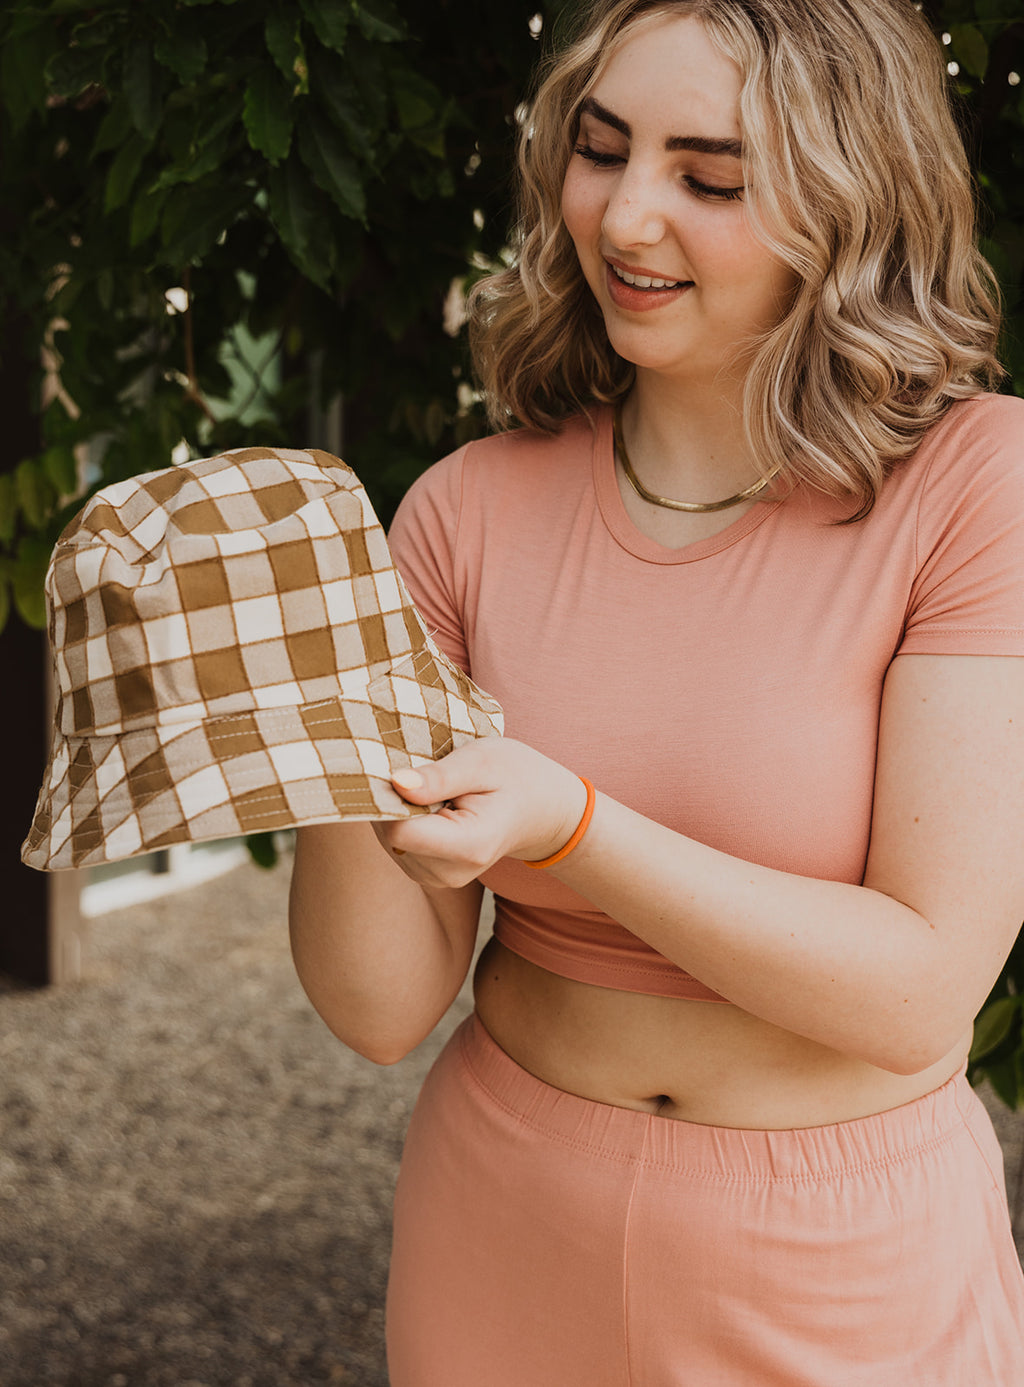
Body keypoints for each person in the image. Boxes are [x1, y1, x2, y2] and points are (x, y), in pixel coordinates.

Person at [288, 0, 1024, 1381]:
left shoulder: (979, 485)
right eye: (601, 150)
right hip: (501, 1215)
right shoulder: (466, 510)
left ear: (851, 200)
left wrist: (571, 826)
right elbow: (380, 1009)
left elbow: (919, 991)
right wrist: (322, 692)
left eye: (709, 177)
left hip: (836, 1266)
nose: (625, 220)